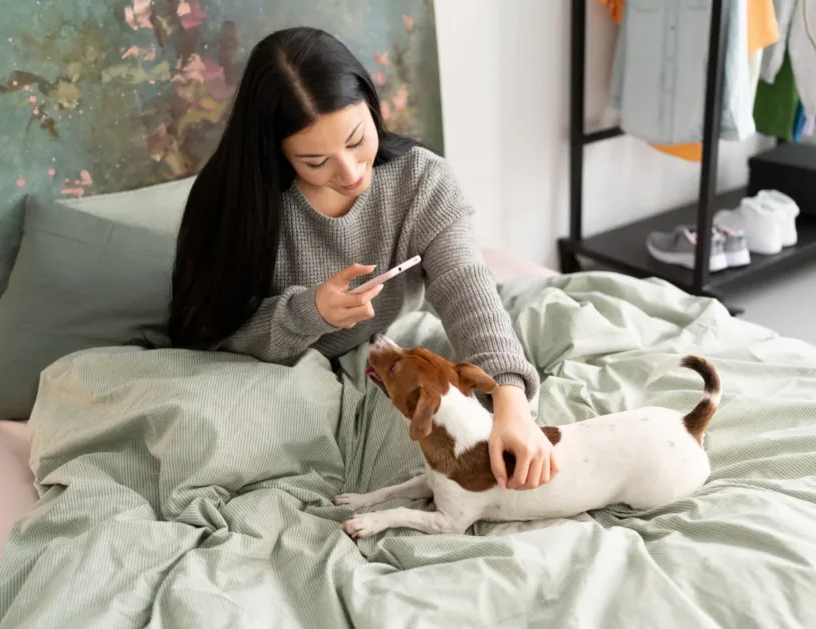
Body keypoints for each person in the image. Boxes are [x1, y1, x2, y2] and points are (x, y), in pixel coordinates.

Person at [167, 27, 557, 490]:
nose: (350, 173)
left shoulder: (420, 180)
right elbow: (214, 336)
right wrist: (308, 312)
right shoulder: (239, 207)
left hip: (389, 352)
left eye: (357, 140)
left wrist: (510, 398)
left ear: (373, 108)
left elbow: (466, 285)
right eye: (315, 162)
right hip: (276, 376)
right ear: (277, 152)